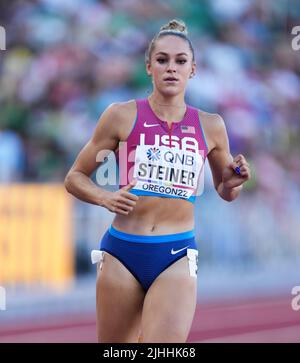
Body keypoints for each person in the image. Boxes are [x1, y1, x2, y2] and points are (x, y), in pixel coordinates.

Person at [64, 19, 251, 343]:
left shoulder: (210, 125)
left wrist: (236, 180)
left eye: (181, 61)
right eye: (162, 60)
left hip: (175, 253)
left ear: (193, 69)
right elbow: (74, 177)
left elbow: (225, 191)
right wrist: (104, 197)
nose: (171, 68)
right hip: (122, 251)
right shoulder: (121, 115)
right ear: (149, 66)